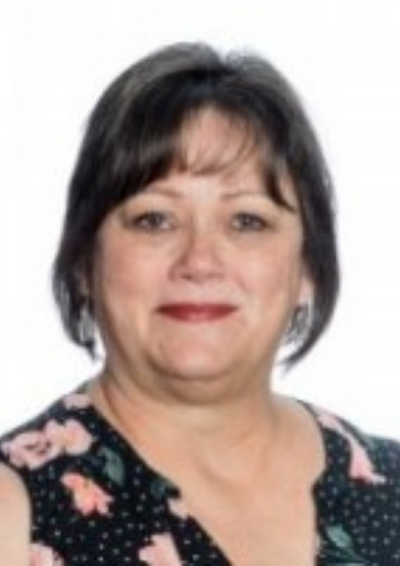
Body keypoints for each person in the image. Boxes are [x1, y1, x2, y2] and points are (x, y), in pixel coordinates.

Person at [0, 43, 398, 566]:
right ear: (82, 262)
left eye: (247, 221)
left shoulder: (390, 489)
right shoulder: (14, 510)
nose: (200, 262)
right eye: (154, 220)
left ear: (308, 268)